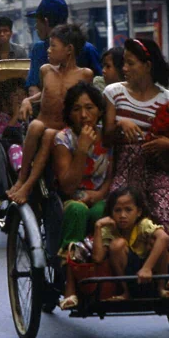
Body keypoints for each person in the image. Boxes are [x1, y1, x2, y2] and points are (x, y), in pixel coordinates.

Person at [103, 38, 169, 284]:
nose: (125, 68)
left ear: (146, 65)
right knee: (118, 211)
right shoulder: (114, 93)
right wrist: (120, 124)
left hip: (157, 168)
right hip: (124, 166)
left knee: (165, 213)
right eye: (124, 63)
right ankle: (119, 274)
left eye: (130, 63)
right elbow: (106, 135)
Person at [8, 24, 94, 204]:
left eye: (53, 46)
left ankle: (27, 185)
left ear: (69, 50)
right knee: (37, 125)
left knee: (48, 134)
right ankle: (22, 178)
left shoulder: (85, 75)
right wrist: (27, 101)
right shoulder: (45, 70)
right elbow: (46, 93)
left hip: (64, 131)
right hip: (43, 123)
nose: (48, 50)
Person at [53, 83, 113, 310]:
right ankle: (70, 285)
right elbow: (67, 186)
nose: (84, 115)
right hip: (71, 200)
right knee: (78, 210)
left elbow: (111, 177)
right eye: (77, 109)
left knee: (103, 212)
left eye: (89, 108)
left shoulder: (107, 137)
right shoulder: (63, 139)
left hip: (99, 197)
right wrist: (82, 150)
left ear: (99, 110)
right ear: (70, 113)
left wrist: (98, 195)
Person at [93, 187, 169, 301]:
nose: (123, 216)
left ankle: (161, 288)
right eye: (117, 210)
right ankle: (126, 292)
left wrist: (146, 268)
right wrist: (98, 226)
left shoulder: (143, 224)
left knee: (157, 242)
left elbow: (164, 238)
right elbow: (97, 258)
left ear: (138, 212)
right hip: (126, 271)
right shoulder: (109, 228)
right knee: (117, 244)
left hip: (149, 269)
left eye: (128, 210)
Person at [24, 0, 101, 96]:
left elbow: (98, 85)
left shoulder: (86, 50)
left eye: (37, 21)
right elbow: (33, 87)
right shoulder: (38, 50)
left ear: (46, 21)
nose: (36, 26)